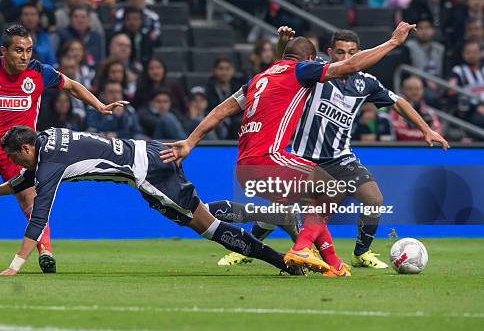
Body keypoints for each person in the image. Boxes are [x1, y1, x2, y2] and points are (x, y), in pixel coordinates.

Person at [161, 22, 417, 277]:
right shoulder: (301, 71)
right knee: (334, 190)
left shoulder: (259, 79)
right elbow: (350, 67)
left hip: (245, 166)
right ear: (309, 60)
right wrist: (393, 42)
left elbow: (221, 110)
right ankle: (302, 248)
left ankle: (333, 262)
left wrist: (190, 141)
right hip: (271, 159)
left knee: (302, 206)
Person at [212, 30, 448, 269]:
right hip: (303, 155)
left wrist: (425, 129)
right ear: (329, 53)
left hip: (340, 157)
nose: (346, 57)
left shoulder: (365, 83)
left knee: (374, 198)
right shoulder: (315, 73)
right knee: (280, 211)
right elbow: (283, 68)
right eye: (340, 52)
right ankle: (247, 248)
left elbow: (399, 102)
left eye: (352, 53)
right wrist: (283, 44)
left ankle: (361, 253)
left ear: (359, 52)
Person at [0, 25, 128, 272]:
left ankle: (45, 252)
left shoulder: (39, 72)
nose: (25, 56)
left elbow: (71, 86)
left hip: (21, 153)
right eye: (19, 50)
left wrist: (99, 105)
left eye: (28, 50)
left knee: (31, 201)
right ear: (4, 51)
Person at [0, 125, 302, 277]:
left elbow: (39, 214)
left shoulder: (49, 162)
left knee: (205, 226)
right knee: (196, 214)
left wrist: (16, 265)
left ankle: (283, 262)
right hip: (148, 151)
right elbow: (27, 176)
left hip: (147, 172)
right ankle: (272, 215)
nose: (15, 163)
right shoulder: (46, 138)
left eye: (14, 157)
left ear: (25, 148)